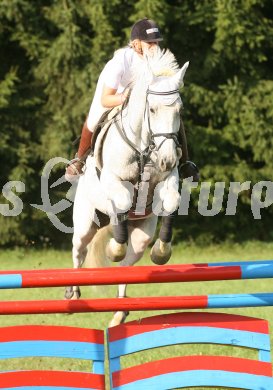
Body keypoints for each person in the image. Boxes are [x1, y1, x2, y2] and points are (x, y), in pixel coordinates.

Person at [65, 17, 163, 181]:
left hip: (143, 101)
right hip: (115, 95)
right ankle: (79, 160)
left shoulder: (158, 60)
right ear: (137, 43)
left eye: (156, 43)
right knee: (95, 117)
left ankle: (185, 162)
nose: (155, 48)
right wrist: (125, 98)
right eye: (150, 43)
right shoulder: (119, 62)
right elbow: (106, 99)